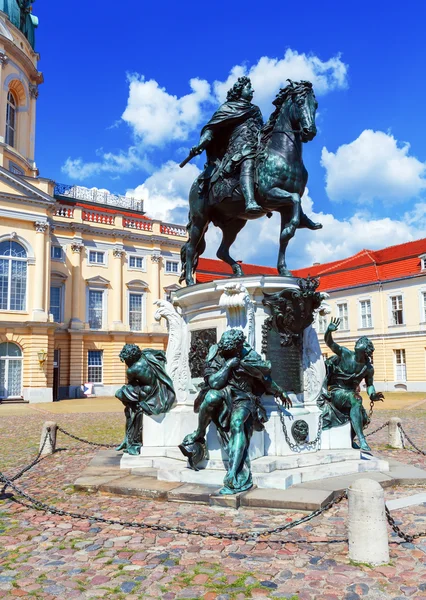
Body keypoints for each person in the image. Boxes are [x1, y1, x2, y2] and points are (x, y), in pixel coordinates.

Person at [180, 329, 291, 494]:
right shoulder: (217, 352)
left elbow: (265, 378)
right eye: (223, 349)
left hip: (244, 397)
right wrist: (228, 365)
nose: (223, 352)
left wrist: (279, 391)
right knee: (210, 397)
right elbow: (214, 382)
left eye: (228, 351)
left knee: (237, 422)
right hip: (224, 392)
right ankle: (199, 432)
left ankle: (233, 472)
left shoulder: (249, 356)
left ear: (238, 349)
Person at [191, 76, 263, 215]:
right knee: (247, 159)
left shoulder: (255, 110)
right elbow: (211, 129)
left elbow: (261, 129)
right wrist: (200, 145)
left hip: (256, 145)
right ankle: (250, 201)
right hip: (237, 149)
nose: (252, 90)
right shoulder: (227, 107)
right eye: (248, 87)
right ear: (239, 90)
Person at [318, 318, 384, 452]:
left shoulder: (368, 368)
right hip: (337, 391)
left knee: (364, 418)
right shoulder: (346, 354)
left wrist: (372, 395)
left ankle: (350, 439)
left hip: (350, 394)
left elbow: (369, 385)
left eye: (362, 342)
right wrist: (329, 331)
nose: (359, 341)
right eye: (359, 341)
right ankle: (362, 439)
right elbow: (330, 343)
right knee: (356, 399)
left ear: (366, 349)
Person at [115, 344, 176, 455]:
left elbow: (131, 384)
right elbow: (161, 354)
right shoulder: (147, 354)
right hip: (160, 388)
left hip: (147, 393)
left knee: (121, 395)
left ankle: (132, 440)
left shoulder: (132, 370)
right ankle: (128, 438)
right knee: (129, 406)